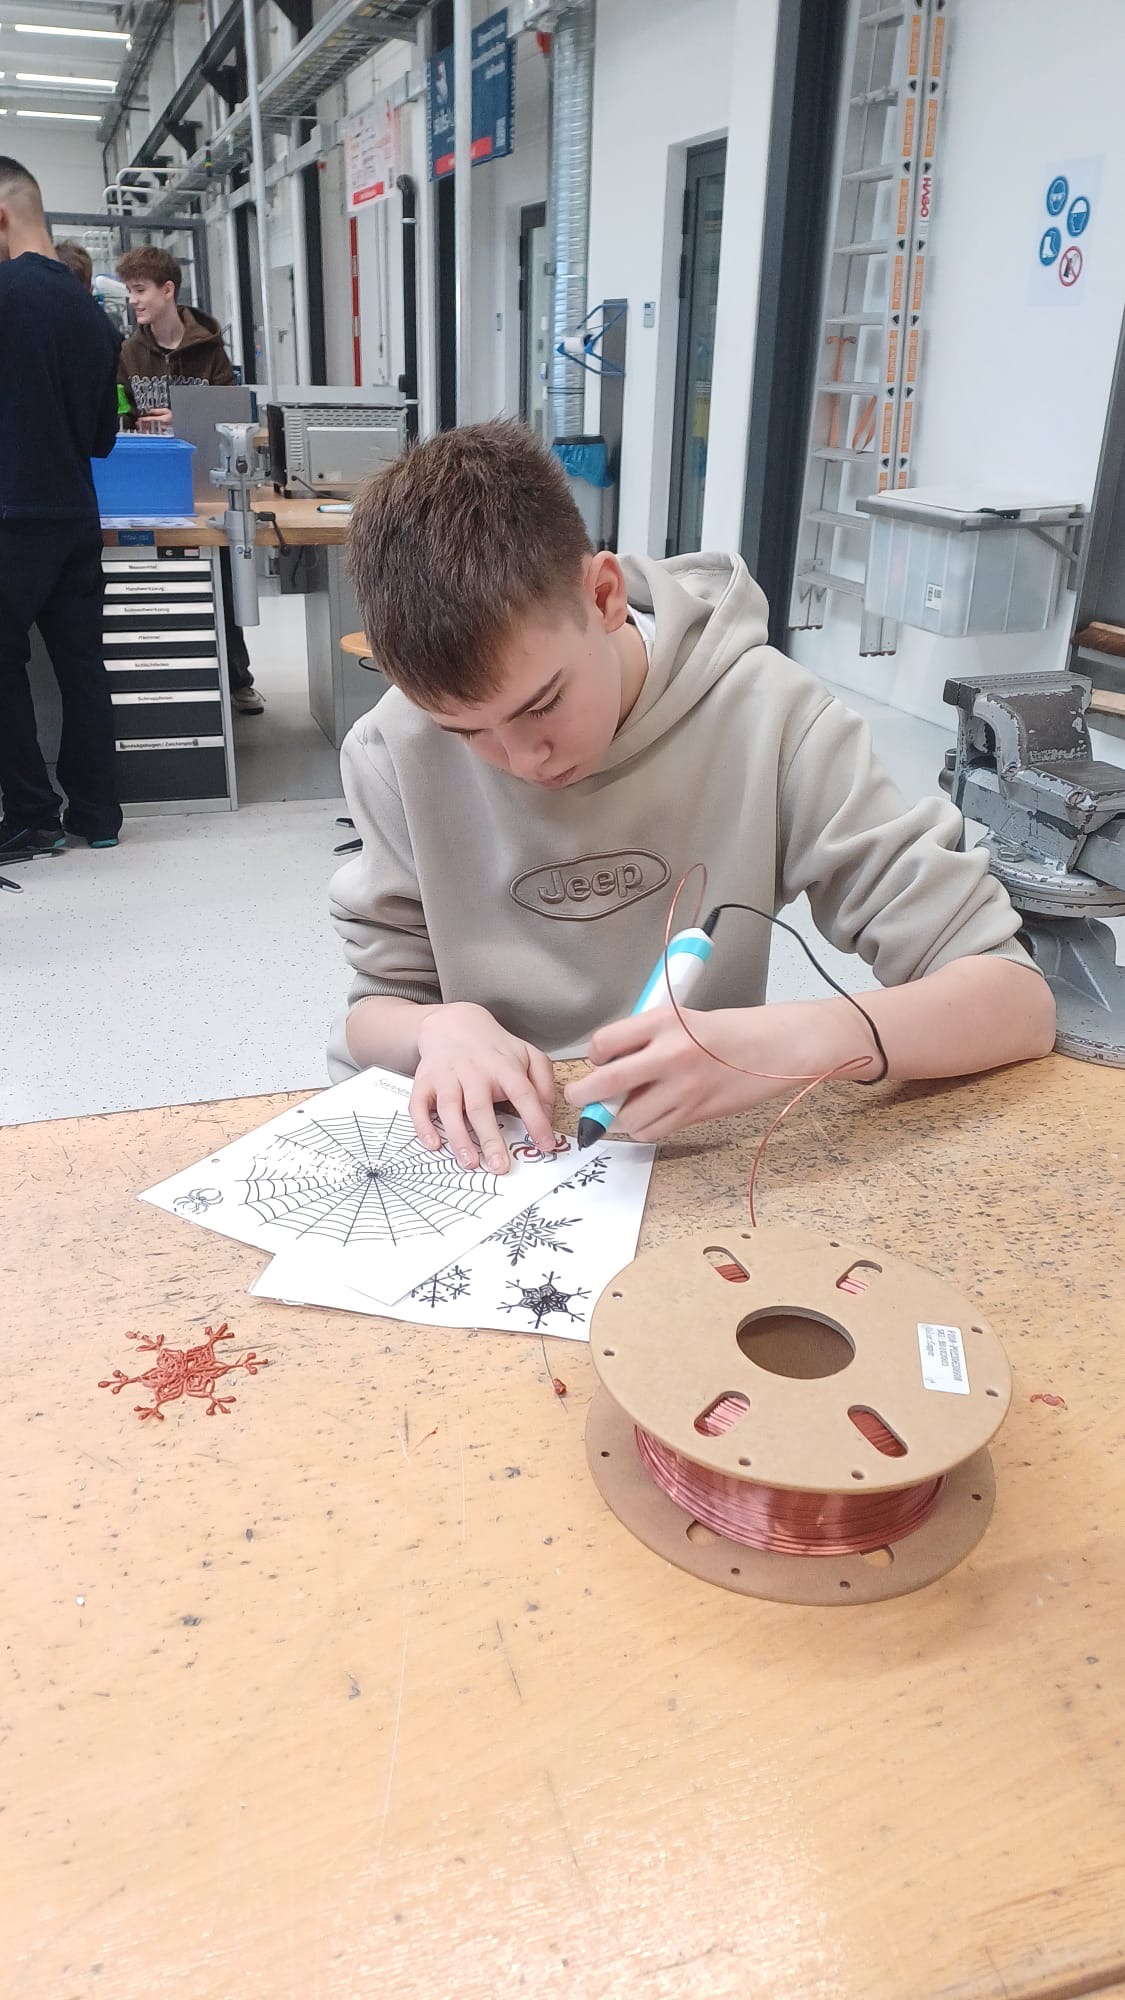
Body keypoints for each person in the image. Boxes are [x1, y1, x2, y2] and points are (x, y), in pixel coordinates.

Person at [328, 420, 1055, 1172]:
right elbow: (374, 1007)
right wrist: (436, 1029)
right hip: (487, 1159)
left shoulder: (771, 717)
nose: (520, 760)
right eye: (466, 732)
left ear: (603, 595)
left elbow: (1014, 1002)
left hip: (691, 1156)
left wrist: (793, 1042)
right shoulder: (393, 748)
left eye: (541, 705)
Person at [0, 158, 123, 859]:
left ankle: (32, 815)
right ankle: (98, 814)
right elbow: (103, 439)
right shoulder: (93, 316)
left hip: (11, 515)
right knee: (83, 665)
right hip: (76, 516)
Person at [115, 244, 265, 717]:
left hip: (207, 484)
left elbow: (233, 416)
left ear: (167, 290)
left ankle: (238, 680)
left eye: (140, 290)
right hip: (152, 486)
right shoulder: (129, 352)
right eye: (129, 291)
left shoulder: (210, 349)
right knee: (160, 584)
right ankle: (176, 684)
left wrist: (180, 419)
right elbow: (120, 411)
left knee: (220, 578)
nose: (133, 301)